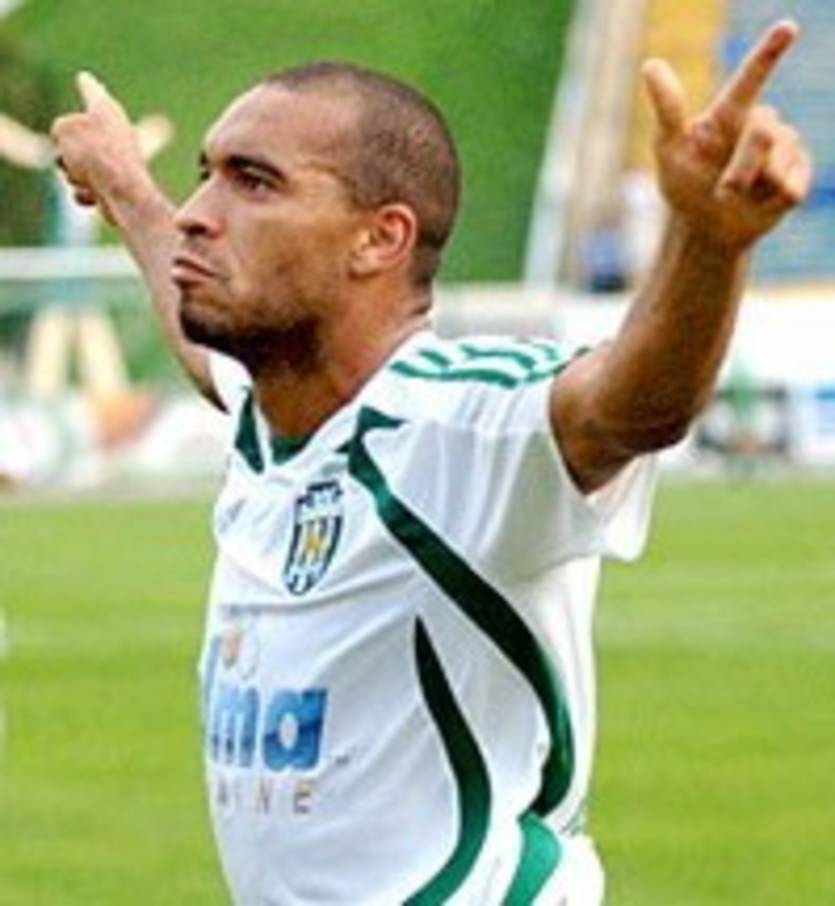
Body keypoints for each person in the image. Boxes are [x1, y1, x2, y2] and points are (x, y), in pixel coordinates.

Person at [51, 19, 810, 905]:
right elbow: (197, 337)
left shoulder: (459, 422)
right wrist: (124, 187)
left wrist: (707, 243)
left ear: (379, 239)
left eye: (253, 182)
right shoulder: (277, 408)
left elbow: (629, 408)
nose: (196, 213)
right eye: (205, 175)